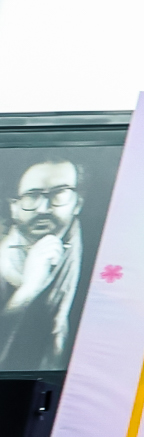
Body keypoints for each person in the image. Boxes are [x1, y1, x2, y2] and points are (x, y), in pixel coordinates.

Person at [0, 158, 82, 371]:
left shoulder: (99, 252)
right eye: (32, 195)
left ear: (77, 204)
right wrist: (28, 289)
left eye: (59, 193)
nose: (44, 209)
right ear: (13, 207)